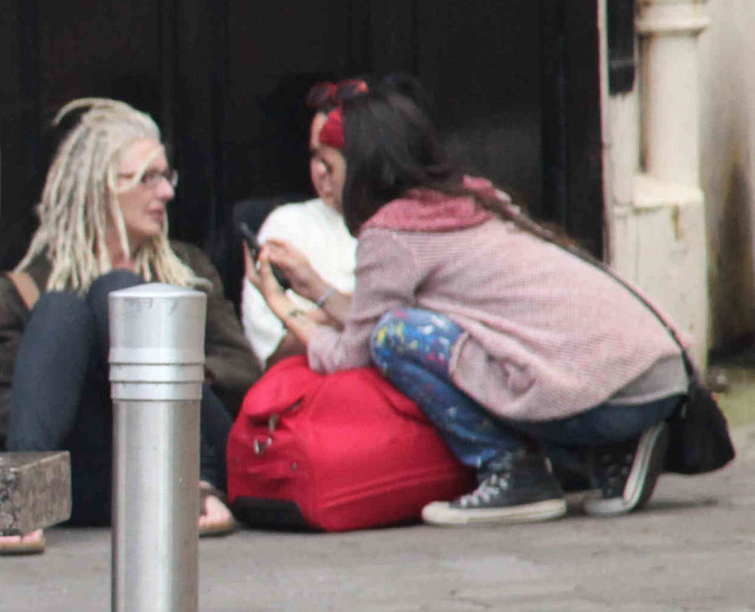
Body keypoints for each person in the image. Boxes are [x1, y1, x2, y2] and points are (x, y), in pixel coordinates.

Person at [250, 75, 685, 526]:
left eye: (331, 166)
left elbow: (353, 354)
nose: (325, 180)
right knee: (411, 327)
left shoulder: (393, 232)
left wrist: (287, 313)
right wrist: (316, 288)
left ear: (360, 167)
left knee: (395, 336)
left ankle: (514, 474)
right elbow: (370, 313)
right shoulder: (473, 197)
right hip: (654, 376)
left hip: (609, 400)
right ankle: (616, 449)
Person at [0, 99, 259, 555]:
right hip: (91, 472)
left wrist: (159, 372)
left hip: (185, 450)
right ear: (99, 189)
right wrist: (76, 376)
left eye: (167, 176)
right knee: (64, 308)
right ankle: (22, 503)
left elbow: (244, 372)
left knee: (121, 294)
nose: (166, 192)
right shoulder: (20, 292)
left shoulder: (187, 268)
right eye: (148, 178)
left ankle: (199, 488)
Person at [239, 80, 361, 364]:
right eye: (314, 155)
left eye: (331, 157)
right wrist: (356, 306)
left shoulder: (403, 227)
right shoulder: (288, 226)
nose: (321, 170)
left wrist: (320, 313)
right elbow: (272, 355)